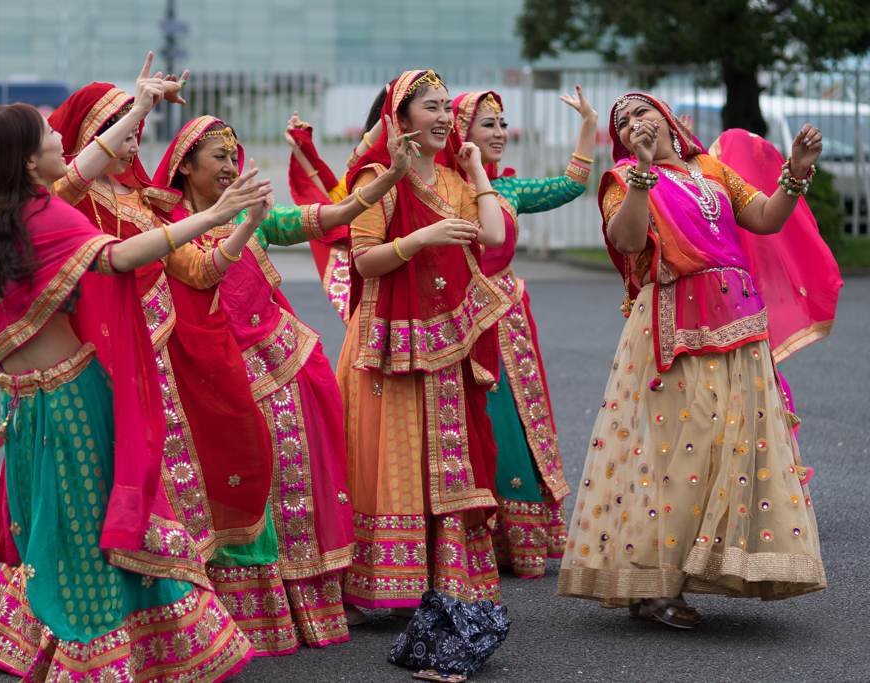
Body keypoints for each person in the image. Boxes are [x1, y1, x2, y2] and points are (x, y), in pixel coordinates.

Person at [0, 95, 272, 680]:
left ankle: (98, 641)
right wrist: (209, 217)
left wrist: (140, 107)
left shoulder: (5, 211)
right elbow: (121, 256)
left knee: (75, 517)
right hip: (56, 400)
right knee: (66, 518)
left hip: (41, 396)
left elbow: (90, 171)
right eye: (49, 136)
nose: (62, 140)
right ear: (31, 163)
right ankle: (79, 636)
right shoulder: (45, 213)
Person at [558, 92, 830, 628]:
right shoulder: (621, 180)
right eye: (623, 122)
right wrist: (638, 173)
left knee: (733, 445)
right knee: (679, 448)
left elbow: (765, 218)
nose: (634, 121)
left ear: (664, 116)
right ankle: (653, 584)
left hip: (739, 321)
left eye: (641, 110)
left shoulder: (709, 168)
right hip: (673, 322)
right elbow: (629, 240)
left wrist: (795, 173)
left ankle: (705, 564)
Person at [150, 113, 417, 652]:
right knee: (244, 485)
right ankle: (244, 610)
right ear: (185, 168)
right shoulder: (171, 226)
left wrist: (389, 177)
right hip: (221, 378)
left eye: (233, 156)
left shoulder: (250, 215)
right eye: (218, 158)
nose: (230, 166)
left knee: (298, 484)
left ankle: (309, 603)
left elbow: (331, 217)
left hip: (286, 363)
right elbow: (202, 271)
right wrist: (243, 222)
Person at [339, 70, 511, 621]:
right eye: (430, 107)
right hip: (388, 341)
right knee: (393, 458)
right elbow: (364, 260)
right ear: (401, 119)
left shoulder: (454, 182)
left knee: (443, 457)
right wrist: (419, 239)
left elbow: (493, 235)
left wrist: (478, 169)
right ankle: (388, 583)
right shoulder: (376, 177)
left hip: (446, 342)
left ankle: (442, 579)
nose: (442, 117)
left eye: (446, 107)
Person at [436, 88, 595, 578]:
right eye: (487, 124)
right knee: (466, 420)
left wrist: (589, 125)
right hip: (457, 320)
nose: (500, 134)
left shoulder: (506, 191)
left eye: (502, 124)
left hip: (508, 321)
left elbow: (570, 186)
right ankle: (465, 530)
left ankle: (515, 535)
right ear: (460, 133)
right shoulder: (438, 187)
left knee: (511, 418)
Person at [284, 86, 392, 322]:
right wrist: (301, 150)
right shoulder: (368, 172)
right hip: (384, 283)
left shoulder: (449, 171)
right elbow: (333, 207)